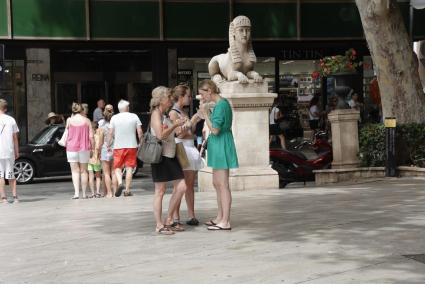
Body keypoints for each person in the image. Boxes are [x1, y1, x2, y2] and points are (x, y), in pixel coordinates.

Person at [198, 79, 238, 231]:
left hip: (221, 144)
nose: (202, 98)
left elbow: (215, 130)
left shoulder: (221, 105)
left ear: (209, 91)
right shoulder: (222, 104)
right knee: (217, 183)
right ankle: (220, 217)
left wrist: (205, 114)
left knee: (222, 185)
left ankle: (225, 221)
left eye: (203, 94)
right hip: (218, 145)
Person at [149, 86, 187, 235]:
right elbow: (160, 136)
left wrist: (182, 125)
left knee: (181, 186)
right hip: (161, 156)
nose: (170, 100)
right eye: (168, 97)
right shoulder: (155, 114)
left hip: (171, 155)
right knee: (160, 191)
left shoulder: (163, 114)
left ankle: (169, 218)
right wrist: (175, 125)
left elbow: (175, 133)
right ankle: (159, 224)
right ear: (161, 99)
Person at [169, 85, 204, 226]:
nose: (190, 98)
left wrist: (193, 122)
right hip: (181, 147)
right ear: (181, 96)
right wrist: (192, 121)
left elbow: (190, 131)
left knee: (190, 185)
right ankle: (175, 217)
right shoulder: (173, 113)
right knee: (180, 185)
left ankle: (191, 215)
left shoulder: (183, 112)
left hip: (189, 147)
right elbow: (179, 133)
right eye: (188, 95)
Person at [108, 100, 143, 197]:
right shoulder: (134, 116)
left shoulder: (114, 118)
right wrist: (141, 141)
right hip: (132, 145)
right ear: (127, 108)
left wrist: (108, 143)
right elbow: (139, 131)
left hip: (118, 146)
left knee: (117, 167)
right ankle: (127, 190)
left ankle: (120, 183)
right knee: (129, 168)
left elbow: (110, 133)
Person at [65, 102, 94, 199]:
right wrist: (93, 149)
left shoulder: (69, 120)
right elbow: (91, 137)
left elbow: (67, 133)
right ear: (82, 110)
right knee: (84, 171)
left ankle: (76, 193)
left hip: (71, 148)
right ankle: (84, 194)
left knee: (74, 171)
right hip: (84, 148)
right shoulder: (87, 121)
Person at [0, 99, 19, 204]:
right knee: (11, 174)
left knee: (0, 175)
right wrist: (17, 151)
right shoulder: (11, 120)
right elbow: (15, 137)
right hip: (9, 151)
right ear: (5, 109)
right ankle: (15, 197)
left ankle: (4, 198)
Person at [99, 107, 117, 198]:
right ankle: (114, 192)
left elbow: (101, 140)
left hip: (105, 149)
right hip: (114, 149)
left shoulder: (102, 126)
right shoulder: (115, 125)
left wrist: (98, 150)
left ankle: (109, 193)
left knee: (106, 173)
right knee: (113, 172)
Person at [88, 121, 102, 198]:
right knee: (98, 176)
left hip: (89, 159)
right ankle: (98, 192)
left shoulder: (88, 136)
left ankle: (92, 193)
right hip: (96, 158)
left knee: (91, 176)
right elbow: (98, 147)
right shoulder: (97, 136)